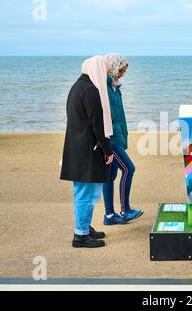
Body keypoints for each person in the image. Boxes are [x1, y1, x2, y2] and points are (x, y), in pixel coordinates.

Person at [60, 56, 115, 248]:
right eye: (106, 71)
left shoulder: (77, 87)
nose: (107, 74)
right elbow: (97, 124)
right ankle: (80, 236)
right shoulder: (91, 90)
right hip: (88, 151)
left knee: (83, 192)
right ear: (98, 69)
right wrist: (107, 150)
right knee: (86, 193)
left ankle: (84, 226)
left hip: (77, 148)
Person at [102, 53, 143, 225]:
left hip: (117, 135)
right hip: (110, 139)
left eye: (124, 71)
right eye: (121, 70)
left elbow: (119, 115)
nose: (123, 74)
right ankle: (124, 210)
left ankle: (109, 215)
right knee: (128, 169)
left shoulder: (115, 88)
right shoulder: (103, 87)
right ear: (112, 67)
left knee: (110, 175)